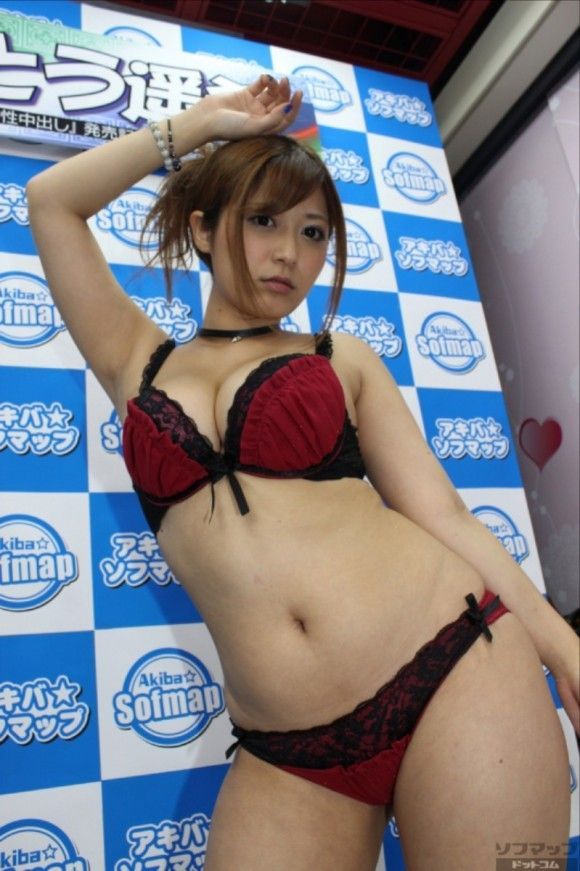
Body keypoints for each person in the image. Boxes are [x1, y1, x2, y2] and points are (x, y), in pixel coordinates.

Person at [27, 75, 579, 871]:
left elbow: (445, 517)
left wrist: (562, 644)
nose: (290, 252)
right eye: (263, 221)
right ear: (202, 228)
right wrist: (203, 125)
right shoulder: (134, 361)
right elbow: (51, 201)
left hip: (459, 669)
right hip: (289, 751)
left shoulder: (339, 356)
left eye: (314, 232)